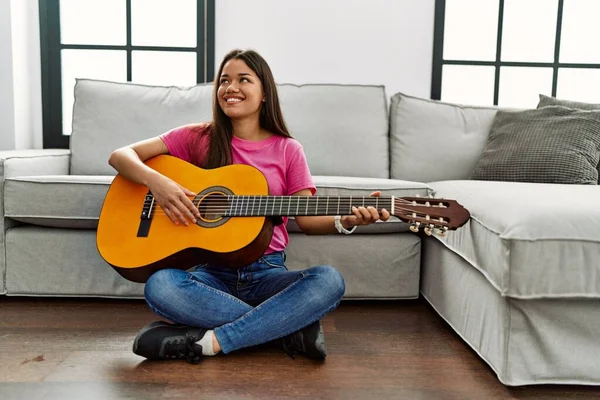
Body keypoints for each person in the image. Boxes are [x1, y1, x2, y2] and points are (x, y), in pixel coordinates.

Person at [108, 49, 391, 364]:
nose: (231, 88)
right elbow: (121, 156)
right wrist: (157, 182)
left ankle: (212, 342)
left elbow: (307, 220)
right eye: (225, 80)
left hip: (267, 274)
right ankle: (286, 331)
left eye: (244, 79)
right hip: (209, 276)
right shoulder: (198, 137)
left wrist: (349, 220)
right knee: (161, 285)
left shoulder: (288, 150)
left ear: (265, 93)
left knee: (329, 281)